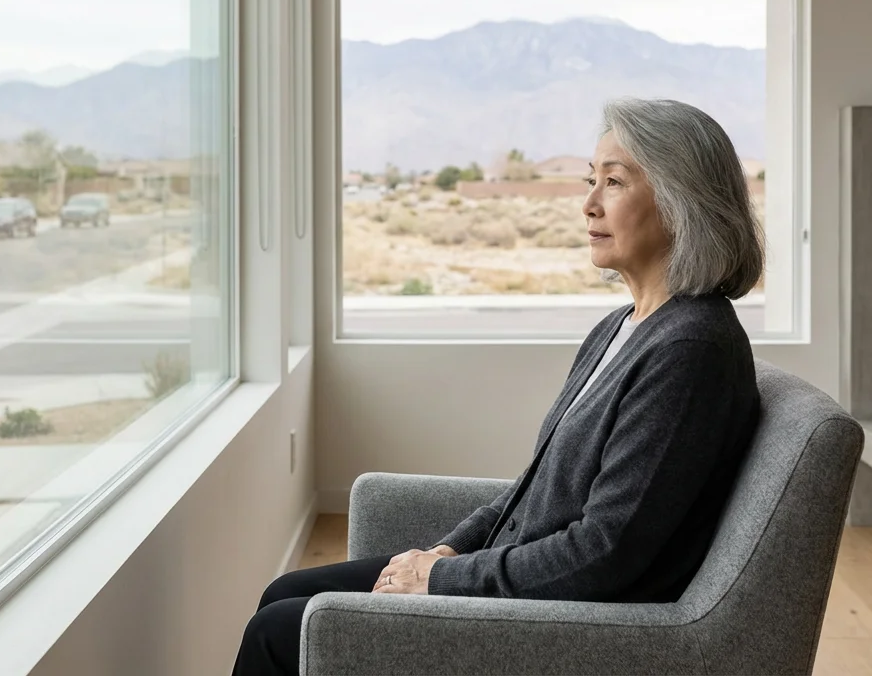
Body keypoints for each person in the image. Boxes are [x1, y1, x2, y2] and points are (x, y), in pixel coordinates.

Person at [233, 97, 765, 675]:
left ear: (682, 200)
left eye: (614, 183)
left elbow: (606, 552)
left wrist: (439, 579)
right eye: (591, 180)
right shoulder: (625, 326)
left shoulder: (690, 350)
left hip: (564, 625)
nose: (588, 205)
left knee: (276, 633)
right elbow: (538, 488)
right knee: (284, 595)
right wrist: (449, 549)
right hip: (517, 579)